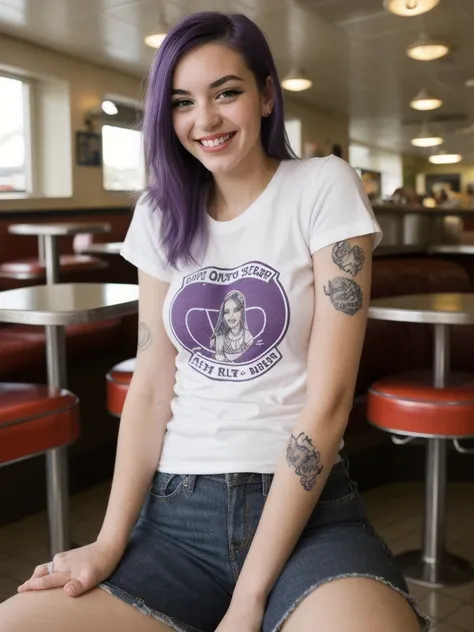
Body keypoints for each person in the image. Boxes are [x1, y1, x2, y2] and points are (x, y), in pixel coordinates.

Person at [0, 11, 430, 632]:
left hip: (307, 516)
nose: (204, 120)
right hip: (177, 516)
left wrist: (248, 598)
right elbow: (150, 387)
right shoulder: (158, 212)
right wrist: (108, 540)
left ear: (266, 96)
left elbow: (330, 402)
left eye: (226, 92)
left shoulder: (322, 186)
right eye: (181, 102)